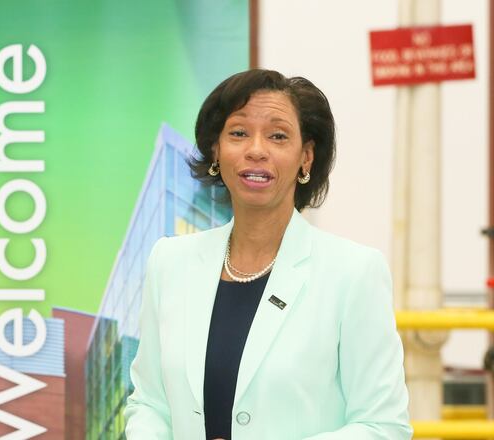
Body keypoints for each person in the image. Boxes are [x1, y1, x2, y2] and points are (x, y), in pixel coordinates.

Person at [123, 69, 412, 440]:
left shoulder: (354, 272)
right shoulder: (170, 262)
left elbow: (383, 426)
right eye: (238, 133)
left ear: (306, 157)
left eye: (278, 136)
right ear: (216, 150)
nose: (256, 150)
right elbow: (150, 403)